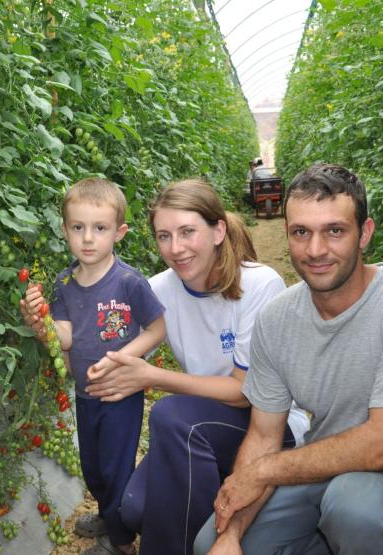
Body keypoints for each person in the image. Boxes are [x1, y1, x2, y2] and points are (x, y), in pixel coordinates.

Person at [194, 163, 383, 555]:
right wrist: (231, 533)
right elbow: (265, 437)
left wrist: (262, 472)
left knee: (354, 510)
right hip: (323, 468)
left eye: (335, 231)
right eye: (301, 232)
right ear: (287, 235)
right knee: (210, 544)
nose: (315, 250)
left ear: (364, 234)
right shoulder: (277, 319)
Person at [52, 178, 310, 555]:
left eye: (188, 232)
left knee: (172, 414)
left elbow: (244, 393)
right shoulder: (158, 289)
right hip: (196, 432)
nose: (176, 248)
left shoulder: (259, 284)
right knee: (134, 508)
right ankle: (217, 488)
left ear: (218, 230)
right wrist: (51, 329)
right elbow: (98, 329)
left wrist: (152, 377)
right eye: (164, 236)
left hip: (268, 427)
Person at [21, 178, 166, 555]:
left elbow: (157, 329)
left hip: (120, 394)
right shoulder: (64, 283)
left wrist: (125, 357)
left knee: (116, 471)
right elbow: (63, 337)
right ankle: (108, 514)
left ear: (119, 233)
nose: (88, 238)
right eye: (78, 228)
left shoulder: (129, 283)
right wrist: (40, 323)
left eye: (99, 229)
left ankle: (120, 544)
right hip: (85, 394)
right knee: (94, 469)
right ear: (65, 229)